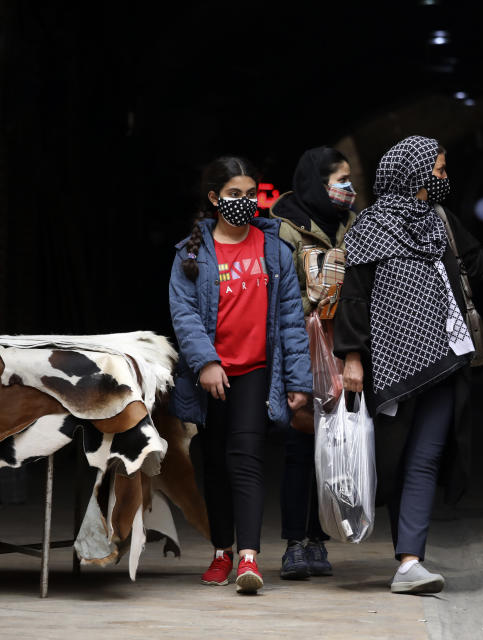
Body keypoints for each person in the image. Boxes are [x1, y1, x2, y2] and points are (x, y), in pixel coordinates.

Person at [334, 135, 483, 594]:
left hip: (447, 359)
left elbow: (477, 265)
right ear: (411, 172)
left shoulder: (440, 220)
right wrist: (351, 357)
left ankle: (410, 561)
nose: (443, 178)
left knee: (427, 457)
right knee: (392, 459)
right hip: (391, 367)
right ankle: (396, 550)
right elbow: (354, 297)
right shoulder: (370, 227)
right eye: (437, 169)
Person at [169, 156, 312, 595]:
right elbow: (184, 314)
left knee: (245, 457)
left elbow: (291, 318)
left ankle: (248, 557)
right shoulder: (190, 253)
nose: (244, 202)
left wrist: (299, 380)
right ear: (214, 198)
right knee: (213, 462)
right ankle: (220, 552)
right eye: (234, 194)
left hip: (256, 372)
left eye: (250, 194)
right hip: (210, 374)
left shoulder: (275, 250)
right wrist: (206, 362)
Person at [270, 147, 357, 580]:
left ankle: (319, 540)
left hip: (343, 348)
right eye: (340, 181)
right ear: (315, 182)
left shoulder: (352, 225)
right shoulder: (282, 228)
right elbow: (279, 299)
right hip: (301, 347)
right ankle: (294, 544)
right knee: (300, 446)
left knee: (336, 448)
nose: (348, 190)